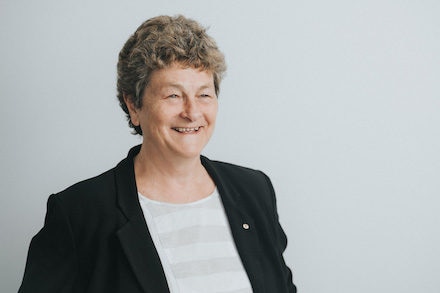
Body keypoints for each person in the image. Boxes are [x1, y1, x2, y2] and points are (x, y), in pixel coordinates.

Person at [19, 15, 296, 293]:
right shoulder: (79, 214)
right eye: (173, 95)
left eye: (204, 94)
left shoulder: (254, 190)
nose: (192, 112)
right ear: (134, 106)